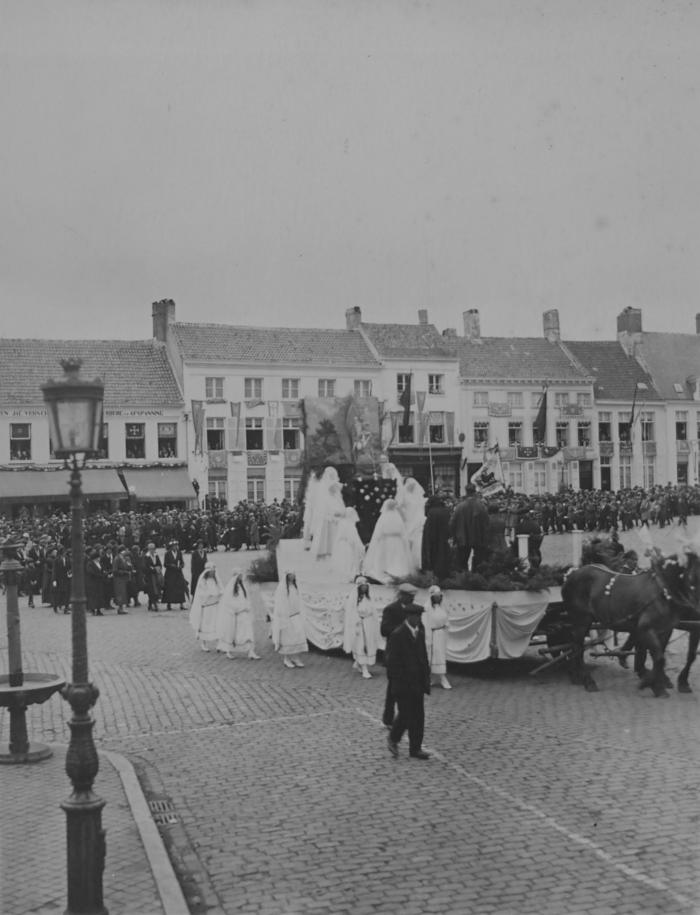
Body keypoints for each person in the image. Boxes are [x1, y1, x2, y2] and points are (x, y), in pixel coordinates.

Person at [386, 599, 431, 760]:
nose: (418, 619)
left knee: (418, 717)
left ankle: (415, 748)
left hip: (417, 683)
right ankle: (393, 738)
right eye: (415, 616)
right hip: (403, 684)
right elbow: (391, 662)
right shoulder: (398, 634)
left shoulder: (420, 633)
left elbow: (423, 657)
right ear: (408, 617)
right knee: (405, 714)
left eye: (420, 616)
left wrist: (425, 678)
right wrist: (398, 681)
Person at [380, 582, 423, 728]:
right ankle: (388, 718)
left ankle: (405, 717)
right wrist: (403, 629)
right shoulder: (391, 609)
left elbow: (420, 628)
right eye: (409, 596)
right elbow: (384, 630)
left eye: (413, 597)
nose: (412, 599)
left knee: (408, 688)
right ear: (402, 595)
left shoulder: (414, 610)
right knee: (393, 689)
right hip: (395, 655)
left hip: (410, 657)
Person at [362, 499, 415, 584]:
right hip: (396, 541)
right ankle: (396, 573)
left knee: (387, 557)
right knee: (395, 557)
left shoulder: (384, 517)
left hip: (386, 541)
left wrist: (378, 541)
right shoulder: (397, 517)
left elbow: (378, 532)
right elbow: (402, 531)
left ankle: (387, 573)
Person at [216, 572, 260, 660]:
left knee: (248, 632)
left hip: (245, 614)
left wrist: (247, 606)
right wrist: (239, 608)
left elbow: (246, 598)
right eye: (239, 576)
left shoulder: (243, 587)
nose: (241, 578)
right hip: (237, 615)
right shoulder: (231, 589)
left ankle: (251, 651)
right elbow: (229, 602)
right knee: (235, 634)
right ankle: (229, 651)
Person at [342, 577, 378, 679]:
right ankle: (364, 668)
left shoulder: (368, 598)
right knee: (360, 645)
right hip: (359, 624)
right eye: (362, 587)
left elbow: (373, 611)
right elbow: (351, 612)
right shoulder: (355, 599)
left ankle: (358, 663)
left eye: (366, 586)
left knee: (368, 645)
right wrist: (357, 621)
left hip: (368, 624)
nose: (365, 588)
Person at [271, 571, 308, 669]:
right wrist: (284, 616)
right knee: (287, 639)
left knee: (297, 637)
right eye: (291, 574)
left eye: (293, 574)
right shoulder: (282, 588)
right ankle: (286, 659)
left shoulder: (295, 587)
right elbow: (280, 603)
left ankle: (295, 657)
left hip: (296, 616)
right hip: (287, 617)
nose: (293, 576)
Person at [450, 484, 490, 571]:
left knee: (462, 562)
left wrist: (454, 536)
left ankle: (463, 576)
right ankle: (476, 575)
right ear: (474, 491)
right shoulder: (481, 506)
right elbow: (487, 522)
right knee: (479, 561)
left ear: (466, 492)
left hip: (463, 537)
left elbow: (453, 523)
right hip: (478, 537)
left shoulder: (460, 507)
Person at [188, 563, 223, 651]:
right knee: (205, 625)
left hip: (215, 606)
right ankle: (203, 643)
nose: (213, 573)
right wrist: (209, 594)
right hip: (207, 606)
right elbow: (201, 593)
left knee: (216, 624)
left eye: (213, 571)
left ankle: (218, 643)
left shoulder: (215, 580)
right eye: (211, 571)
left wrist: (220, 593)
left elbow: (220, 589)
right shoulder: (203, 581)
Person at [423, 585, 451, 689]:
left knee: (440, 655)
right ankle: (440, 677)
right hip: (432, 634)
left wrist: (445, 626)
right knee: (434, 655)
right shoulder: (427, 608)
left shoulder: (442, 607)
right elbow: (425, 623)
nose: (438, 598)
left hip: (441, 634)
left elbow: (446, 618)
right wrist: (428, 638)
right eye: (436, 596)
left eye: (439, 596)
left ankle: (437, 677)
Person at [421, 495, 452, 580]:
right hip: (444, 538)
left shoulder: (431, 512)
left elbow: (428, 526)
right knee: (443, 555)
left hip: (432, 538)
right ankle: (444, 575)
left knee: (433, 556)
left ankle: (434, 576)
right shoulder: (446, 511)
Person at [331, 506, 365, 582]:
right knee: (348, 561)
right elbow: (353, 538)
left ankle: (342, 575)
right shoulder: (350, 525)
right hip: (347, 545)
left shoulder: (342, 522)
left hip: (340, 544)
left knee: (342, 560)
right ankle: (348, 576)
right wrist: (360, 547)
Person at [399, 477, 426, 569]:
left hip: (417, 519)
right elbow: (400, 506)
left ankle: (418, 561)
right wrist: (403, 516)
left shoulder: (418, 497)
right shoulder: (404, 495)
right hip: (408, 519)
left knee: (417, 540)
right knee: (407, 539)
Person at [163, 539, 188, 610]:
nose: (175, 547)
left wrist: (181, 566)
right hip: (170, 573)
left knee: (180, 588)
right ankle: (169, 604)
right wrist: (171, 565)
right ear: (171, 547)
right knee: (169, 588)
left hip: (178, 572)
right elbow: (165, 564)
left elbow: (182, 562)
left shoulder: (179, 553)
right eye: (173, 546)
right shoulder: (167, 554)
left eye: (176, 545)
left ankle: (181, 604)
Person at [143, 542, 163, 612]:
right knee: (152, 590)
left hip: (156, 575)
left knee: (156, 590)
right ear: (149, 549)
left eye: (153, 549)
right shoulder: (146, 556)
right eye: (151, 549)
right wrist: (153, 569)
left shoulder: (156, 555)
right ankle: (155, 605)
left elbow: (159, 563)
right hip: (149, 576)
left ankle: (150, 604)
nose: (152, 550)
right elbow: (145, 567)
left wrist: (158, 568)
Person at [112, 546, 132, 614]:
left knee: (123, 593)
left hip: (123, 578)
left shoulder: (123, 558)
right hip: (118, 579)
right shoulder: (117, 558)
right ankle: (120, 608)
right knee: (120, 593)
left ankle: (121, 608)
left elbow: (127, 566)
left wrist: (129, 565)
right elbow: (115, 570)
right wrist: (124, 572)